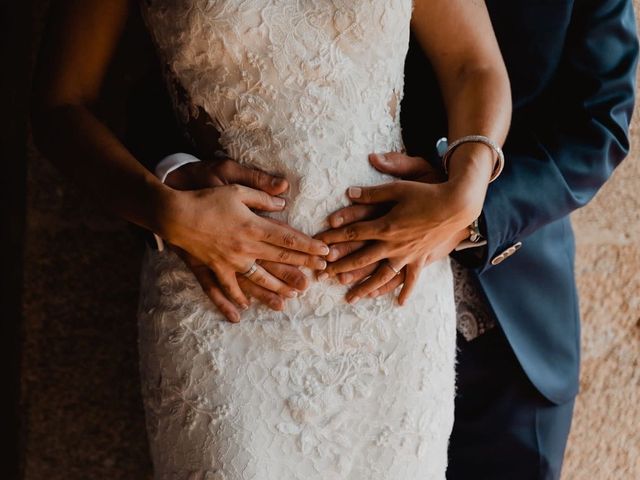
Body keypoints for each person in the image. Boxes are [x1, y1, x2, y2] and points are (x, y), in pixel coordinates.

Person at [136, 0, 639, 479]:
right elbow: (157, 60)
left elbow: (600, 120)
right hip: (257, 302)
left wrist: (470, 210)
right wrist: (172, 179)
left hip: (507, 326)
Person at [31, 0, 511, 479]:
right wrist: (163, 210)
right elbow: (61, 104)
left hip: (390, 296)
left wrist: (465, 193)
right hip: (223, 291)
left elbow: (475, 63)